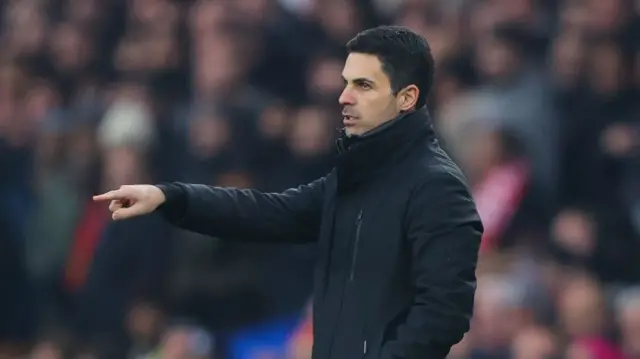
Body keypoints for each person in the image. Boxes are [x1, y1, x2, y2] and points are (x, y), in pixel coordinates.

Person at [94, 26, 483, 359]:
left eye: (363, 85)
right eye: (346, 83)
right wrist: (172, 197)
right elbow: (267, 211)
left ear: (406, 98)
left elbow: (444, 312)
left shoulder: (437, 185)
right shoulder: (356, 182)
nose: (344, 97)